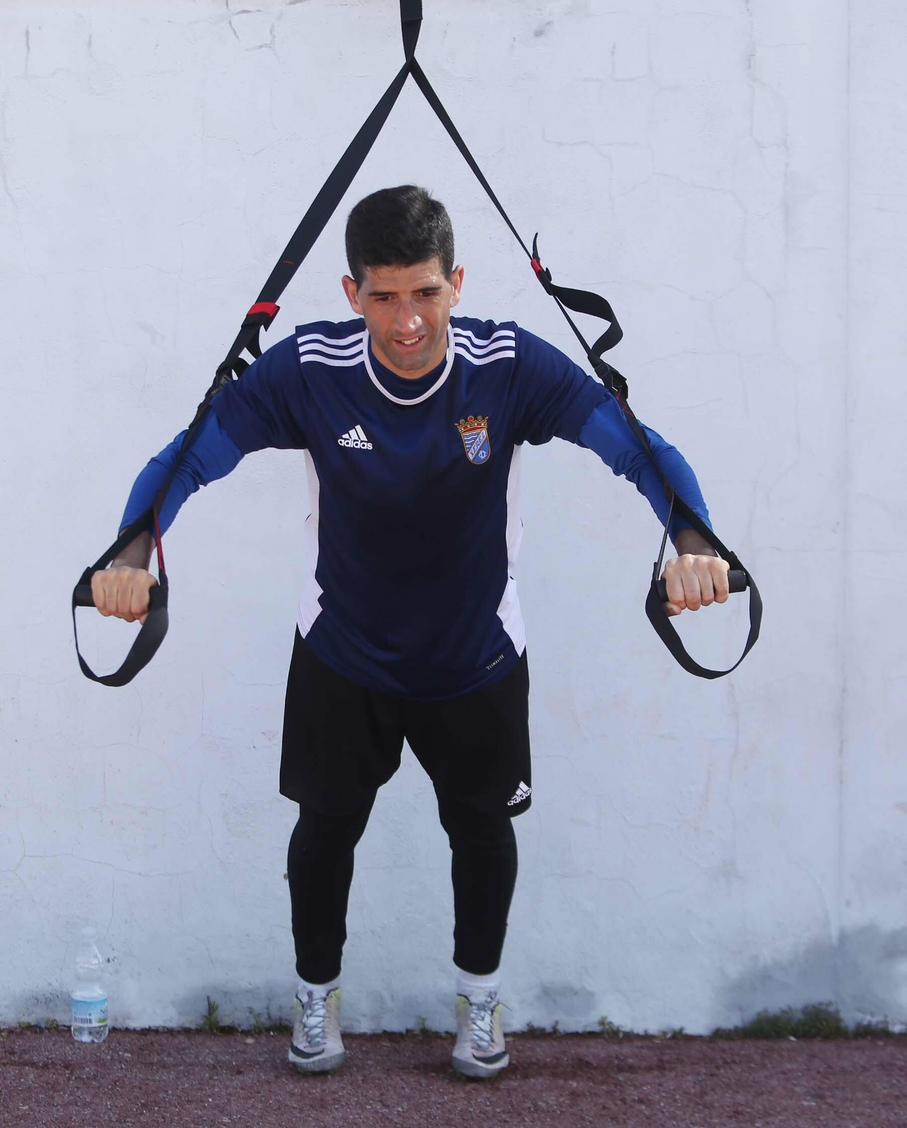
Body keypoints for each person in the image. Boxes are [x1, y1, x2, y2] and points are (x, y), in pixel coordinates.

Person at [90, 185, 729, 1079]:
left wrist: (691, 539)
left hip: (476, 657)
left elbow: (633, 445)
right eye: (384, 297)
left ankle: (479, 1004)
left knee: (482, 833)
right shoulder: (309, 371)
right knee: (325, 828)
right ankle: (316, 1001)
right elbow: (190, 454)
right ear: (352, 294)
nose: (406, 322)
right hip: (344, 653)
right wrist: (134, 552)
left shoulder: (507, 367)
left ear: (456, 283)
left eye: (425, 294)